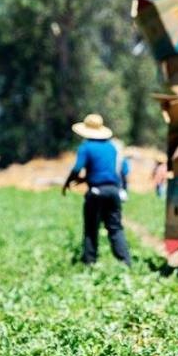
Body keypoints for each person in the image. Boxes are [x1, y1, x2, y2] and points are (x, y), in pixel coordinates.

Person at [63, 113, 132, 266]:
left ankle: (89, 262)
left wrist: (68, 182)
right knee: (115, 228)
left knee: (91, 228)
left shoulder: (86, 147)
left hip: (96, 192)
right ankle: (126, 262)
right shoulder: (112, 147)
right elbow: (106, 171)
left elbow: (77, 168)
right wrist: (85, 179)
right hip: (113, 191)